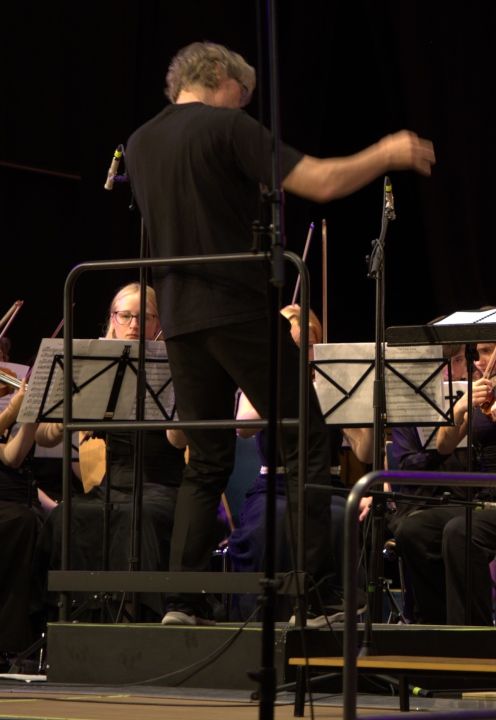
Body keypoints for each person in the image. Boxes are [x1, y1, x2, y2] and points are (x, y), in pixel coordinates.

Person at [125, 41, 434, 625]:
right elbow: (319, 180)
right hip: (236, 307)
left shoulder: (140, 142)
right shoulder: (226, 127)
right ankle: (310, 598)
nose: (242, 106)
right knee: (307, 439)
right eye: (241, 95)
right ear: (220, 77)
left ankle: (181, 603)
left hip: (180, 317)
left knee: (205, 458)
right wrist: (385, 153)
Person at [35, 283, 187, 620]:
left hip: (162, 486)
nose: (134, 325)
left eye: (145, 317)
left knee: (140, 518)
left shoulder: (174, 367)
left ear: (158, 323)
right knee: (65, 516)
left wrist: (174, 404)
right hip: (112, 486)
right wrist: (66, 417)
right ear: (112, 319)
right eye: (125, 316)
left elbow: (179, 443)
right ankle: (76, 617)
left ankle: (135, 617)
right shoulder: (99, 368)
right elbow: (44, 436)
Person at [227, 305, 374, 624]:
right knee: (271, 522)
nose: (299, 354)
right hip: (274, 487)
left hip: (325, 486)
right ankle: (266, 617)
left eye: (306, 346)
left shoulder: (332, 383)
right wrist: (285, 391)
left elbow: (364, 453)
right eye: (291, 346)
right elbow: (243, 427)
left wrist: (364, 409)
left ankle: (326, 609)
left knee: (338, 518)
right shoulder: (263, 379)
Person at [392, 337, 496, 626]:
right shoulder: (482, 390)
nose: (479, 361)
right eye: (476, 353)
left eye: (487, 351)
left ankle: (473, 633)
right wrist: (459, 409)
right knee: (414, 529)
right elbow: (444, 446)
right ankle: (436, 626)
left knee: (461, 531)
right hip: (487, 499)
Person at [0, 383, 47, 661]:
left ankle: (19, 643)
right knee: (19, 522)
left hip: (16, 498)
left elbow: (12, 456)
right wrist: (11, 412)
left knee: (29, 521)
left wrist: (30, 414)